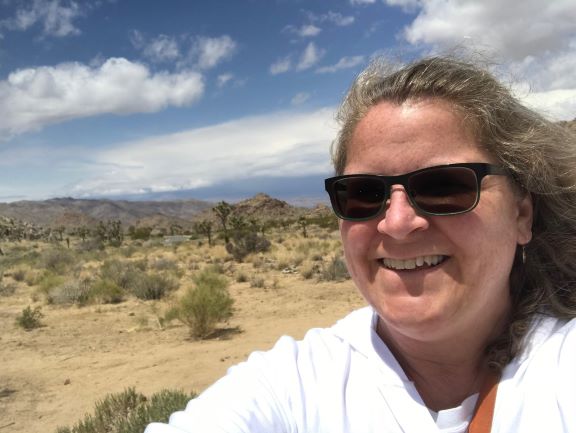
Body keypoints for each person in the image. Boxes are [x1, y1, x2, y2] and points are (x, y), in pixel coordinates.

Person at [145, 56, 576, 433]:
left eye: (446, 186)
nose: (398, 223)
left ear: (522, 213)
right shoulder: (296, 384)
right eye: (365, 193)